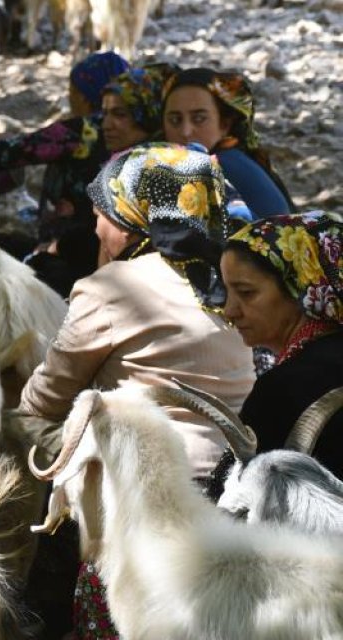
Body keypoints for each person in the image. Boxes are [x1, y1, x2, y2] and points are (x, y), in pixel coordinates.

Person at [20, 143, 256, 638]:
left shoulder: (113, 288)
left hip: (141, 500)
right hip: (231, 495)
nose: (96, 229)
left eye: (100, 215)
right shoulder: (235, 282)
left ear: (129, 221)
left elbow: (42, 402)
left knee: (35, 433)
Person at [0, 52, 129, 297]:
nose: (69, 97)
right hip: (106, 254)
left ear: (86, 94)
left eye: (72, 90)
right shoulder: (141, 132)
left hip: (66, 250)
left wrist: (0, 143)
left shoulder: (81, 131)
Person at [222, 211, 343, 474]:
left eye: (246, 293)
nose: (229, 310)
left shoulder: (282, 391)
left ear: (300, 288)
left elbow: (232, 494)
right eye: (227, 292)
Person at [164, 68, 294, 220]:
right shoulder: (234, 157)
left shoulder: (220, 165)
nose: (185, 131)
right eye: (175, 120)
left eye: (199, 119)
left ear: (225, 124)